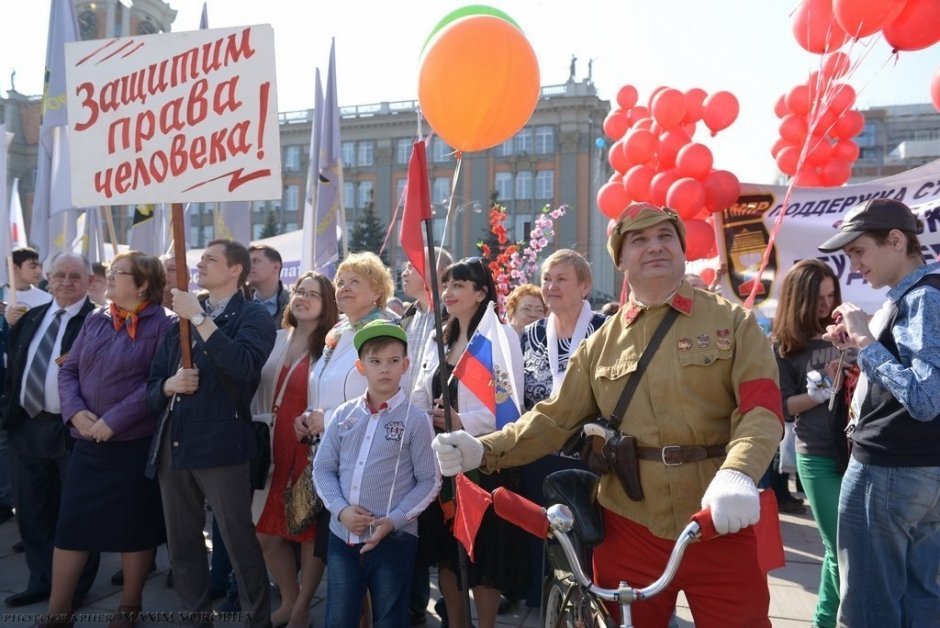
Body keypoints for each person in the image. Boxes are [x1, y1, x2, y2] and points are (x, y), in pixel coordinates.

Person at [433, 204, 783, 627]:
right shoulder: (601, 343)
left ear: (682, 249)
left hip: (717, 516)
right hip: (630, 525)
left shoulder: (734, 323)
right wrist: (482, 449)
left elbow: (761, 409)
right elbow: (552, 419)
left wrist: (740, 472)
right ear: (620, 259)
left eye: (665, 237)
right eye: (639, 240)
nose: (654, 246)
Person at [817, 198, 940, 628]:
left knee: (869, 607)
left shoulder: (924, 297)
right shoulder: (918, 295)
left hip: (891, 468)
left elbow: (925, 398)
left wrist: (866, 343)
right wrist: (861, 346)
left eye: (859, 252)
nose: (854, 267)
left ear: (895, 240)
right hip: (914, 471)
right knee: (919, 599)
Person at [38, 252, 174, 628]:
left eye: (118, 273)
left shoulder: (166, 325)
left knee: (134, 529)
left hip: (132, 445)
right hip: (87, 442)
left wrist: (113, 421)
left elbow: (155, 385)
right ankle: (58, 610)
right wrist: (75, 413)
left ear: (144, 283)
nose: (108, 278)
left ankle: (129, 607)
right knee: (71, 527)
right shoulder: (97, 318)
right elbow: (70, 370)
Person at [146, 240, 276, 628]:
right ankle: (194, 617)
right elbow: (152, 386)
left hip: (222, 441)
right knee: (182, 542)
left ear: (236, 270)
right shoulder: (178, 320)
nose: (200, 265)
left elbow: (244, 366)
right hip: (176, 439)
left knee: (238, 540)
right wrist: (169, 385)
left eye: (210, 259)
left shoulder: (253, 316)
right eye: (200, 258)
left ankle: (258, 619)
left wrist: (201, 319)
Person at [412, 257, 526, 628]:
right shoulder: (436, 337)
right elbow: (418, 393)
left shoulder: (499, 336)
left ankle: (487, 624)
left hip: (484, 461)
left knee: (484, 553)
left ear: (481, 293)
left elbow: (510, 406)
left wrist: (464, 422)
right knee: (447, 552)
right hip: (442, 461)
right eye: (446, 285)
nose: (449, 293)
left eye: (459, 285)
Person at [313, 321, 440, 628]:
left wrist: (394, 520)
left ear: (405, 366)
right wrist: (341, 511)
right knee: (340, 617)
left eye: (394, 361)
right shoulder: (344, 415)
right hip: (343, 538)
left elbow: (430, 480)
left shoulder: (417, 420)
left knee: (389, 618)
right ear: (360, 367)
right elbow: (322, 468)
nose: (385, 369)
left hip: (394, 540)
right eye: (376, 361)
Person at [2, 253, 100, 609]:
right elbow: (15, 367)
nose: (66, 282)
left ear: (90, 281)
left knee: (74, 513)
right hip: (27, 425)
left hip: (73, 429)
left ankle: (74, 588)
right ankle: (41, 580)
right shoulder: (32, 318)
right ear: (48, 279)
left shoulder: (98, 321)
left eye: (75, 276)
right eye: (59, 275)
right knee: (31, 510)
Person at [517, 249, 607, 608]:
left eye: (561, 279)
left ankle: (590, 598)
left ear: (584, 286)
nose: (551, 287)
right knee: (537, 532)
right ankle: (540, 596)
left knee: (587, 539)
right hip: (538, 455)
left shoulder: (606, 330)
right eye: (546, 279)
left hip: (589, 458)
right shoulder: (530, 335)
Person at [253, 272, 339, 628]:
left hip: (309, 450)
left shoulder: (331, 347)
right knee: (266, 533)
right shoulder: (275, 339)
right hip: (272, 447)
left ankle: (302, 608)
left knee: (306, 534)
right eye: (299, 291)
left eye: (313, 294)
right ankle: (288, 599)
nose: (302, 298)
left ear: (327, 304)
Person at [771, 259, 849, 628]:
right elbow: (783, 407)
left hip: (857, 452)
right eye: (818, 297)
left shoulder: (848, 331)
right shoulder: (785, 346)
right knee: (838, 548)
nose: (827, 304)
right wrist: (820, 391)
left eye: (832, 295)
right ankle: (823, 622)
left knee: (854, 550)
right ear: (798, 299)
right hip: (816, 455)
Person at [399, 247, 451, 624]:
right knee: (406, 516)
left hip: (433, 432)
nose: (403, 272)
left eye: (411, 266)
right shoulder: (408, 315)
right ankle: (412, 597)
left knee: (430, 518)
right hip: (400, 427)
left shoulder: (448, 318)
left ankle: (425, 599)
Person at [4, 248, 52, 328]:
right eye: (33, 267)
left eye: (40, 266)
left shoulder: (47, 299)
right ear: (15, 268)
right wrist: (8, 323)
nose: (39, 271)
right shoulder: (2, 294)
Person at [248, 245, 289, 328]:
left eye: (255, 261)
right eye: (248, 262)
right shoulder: (237, 304)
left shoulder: (292, 306)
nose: (249, 266)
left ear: (276, 267)